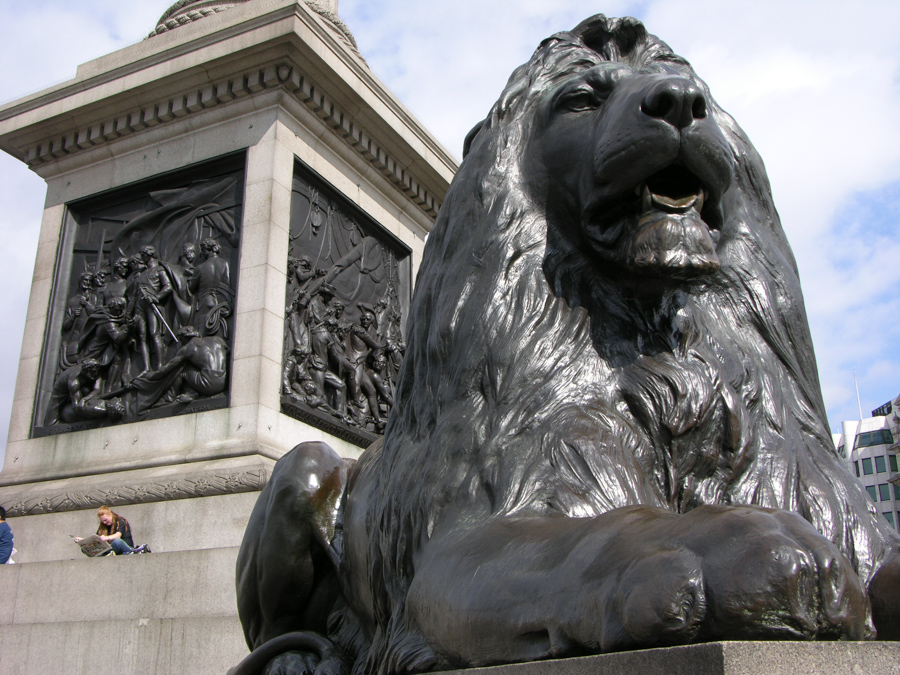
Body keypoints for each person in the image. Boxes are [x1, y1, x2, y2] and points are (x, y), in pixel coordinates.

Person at [75, 505, 148, 555]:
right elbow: (96, 539)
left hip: (124, 548)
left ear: (110, 514)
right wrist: (82, 540)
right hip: (110, 549)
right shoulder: (103, 526)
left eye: (106, 520)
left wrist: (106, 538)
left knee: (117, 542)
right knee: (85, 550)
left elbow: (118, 536)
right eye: (102, 521)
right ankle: (107, 555)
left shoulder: (120, 521)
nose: (105, 522)